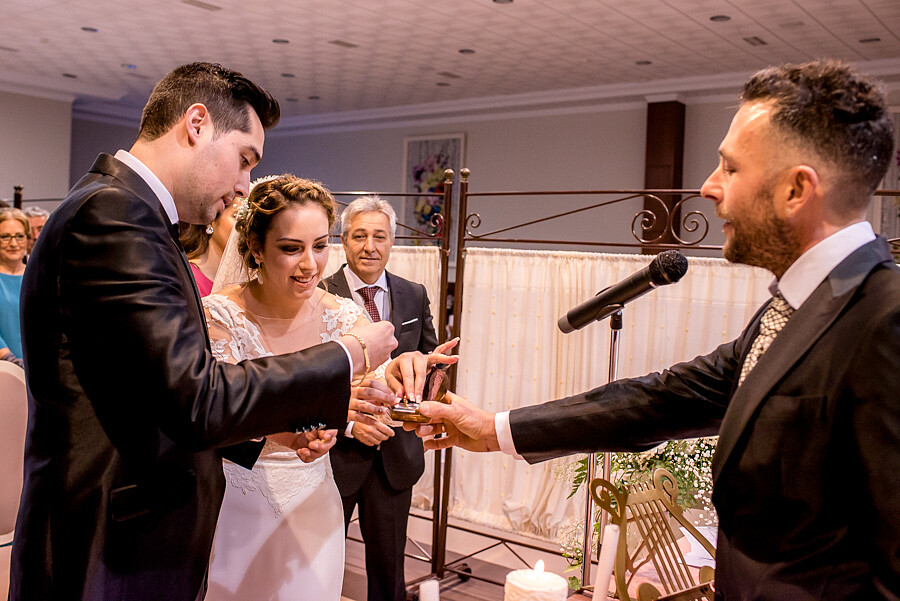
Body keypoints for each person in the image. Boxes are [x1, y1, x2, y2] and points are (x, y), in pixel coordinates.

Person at [411, 59, 900, 600]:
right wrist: (493, 428)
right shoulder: (792, 306)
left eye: (730, 168)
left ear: (796, 189)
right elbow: (664, 399)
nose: (709, 187)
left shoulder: (886, 323)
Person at [10, 62, 399, 601]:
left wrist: (275, 434)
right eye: (244, 159)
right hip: (109, 544)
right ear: (197, 124)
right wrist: (348, 352)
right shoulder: (115, 215)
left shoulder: (127, 212)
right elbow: (199, 398)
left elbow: (158, 396)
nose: (243, 185)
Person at [202, 175, 387, 600]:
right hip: (235, 504)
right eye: (291, 248)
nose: (310, 265)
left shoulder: (344, 315)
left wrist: (400, 380)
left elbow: (375, 388)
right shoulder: (219, 316)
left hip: (314, 505)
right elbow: (215, 412)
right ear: (255, 247)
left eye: (320, 246)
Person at [324, 195, 440, 601]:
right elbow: (307, 377)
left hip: (396, 453)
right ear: (343, 240)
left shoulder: (413, 293)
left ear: (392, 241)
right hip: (334, 453)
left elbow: (429, 359)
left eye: (379, 236)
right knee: (320, 564)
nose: (369, 246)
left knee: (389, 570)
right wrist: (348, 420)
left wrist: (432, 381)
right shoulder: (319, 293)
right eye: (359, 236)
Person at [180, 199, 240, 296]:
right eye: (236, 216)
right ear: (211, 220)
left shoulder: (242, 282)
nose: (243, 226)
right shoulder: (188, 277)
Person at [0, 208, 28, 367]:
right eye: (5, 237)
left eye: (19, 236)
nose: (13, 243)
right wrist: (10, 360)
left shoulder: (36, 276)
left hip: (37, 368)